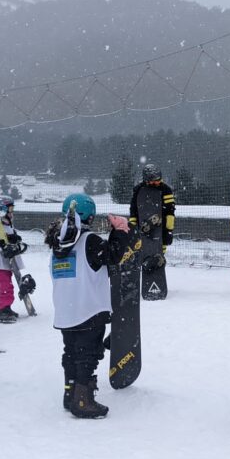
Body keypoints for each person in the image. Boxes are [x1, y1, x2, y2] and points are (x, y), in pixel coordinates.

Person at [45, 193, 133, 419]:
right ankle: (83, 400)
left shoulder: (57, 243)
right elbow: (113, 255)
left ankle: (71, 393)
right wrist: (121, 231)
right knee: (88, 354)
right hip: (89, 308)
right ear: (90, 216)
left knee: (71, 353)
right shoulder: (89, 240)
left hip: (66, 310)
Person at [0, 194, 31, 323]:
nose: (11, 212)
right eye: (10, 209)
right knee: (5, 286)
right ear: (1, 210)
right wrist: (2, 246)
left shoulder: (6, 223)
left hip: (7, 261)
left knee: (7, 285)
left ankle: (6, 307)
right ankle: (2, 310)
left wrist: (14, 239)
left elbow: (8, 236)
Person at [128, 162, 175, 294]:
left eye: (158, 181)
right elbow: (133, 212)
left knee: (160, 252)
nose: (156, 184)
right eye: (153, 182)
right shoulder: (138, 190)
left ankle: (158, 270)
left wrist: (169, 231)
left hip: (162, 229)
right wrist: (133, 230)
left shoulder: (166, 190)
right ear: (146, 180)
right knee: (142, 253)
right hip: (142, 229)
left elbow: (170, 213)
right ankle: (147, 271)